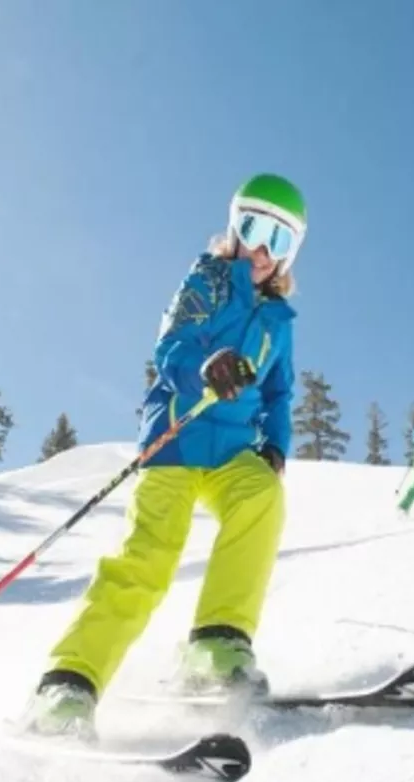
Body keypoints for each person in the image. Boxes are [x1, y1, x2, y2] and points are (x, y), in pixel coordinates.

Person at [24, 174, 307, 741]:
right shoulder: (206, 279)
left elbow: (280, 391)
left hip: (232, 450)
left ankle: (216, 646)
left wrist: (275, 442)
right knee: (149, 557)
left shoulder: (279, 320)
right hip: (175, 438)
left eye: (280, 241)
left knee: (262, 498)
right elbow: (173, 342)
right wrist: (208, 364)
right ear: (234, 226)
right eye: (254, 230)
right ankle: (69, 683)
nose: (262, 251)